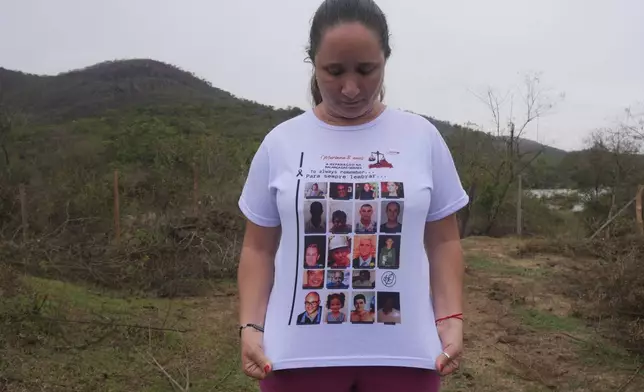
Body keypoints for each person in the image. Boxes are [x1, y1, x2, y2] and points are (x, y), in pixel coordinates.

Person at [236, 0, 468, 391]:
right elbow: (258, 249)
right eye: (333, 71)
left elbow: (444, 240)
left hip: (406, 358)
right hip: (295, 360)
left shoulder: (421, 138)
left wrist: (450, 319)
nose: (350, 87)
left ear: (385, 60)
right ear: (313, 63)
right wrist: (250, 325)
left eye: (366, 70)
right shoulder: (281, 142)